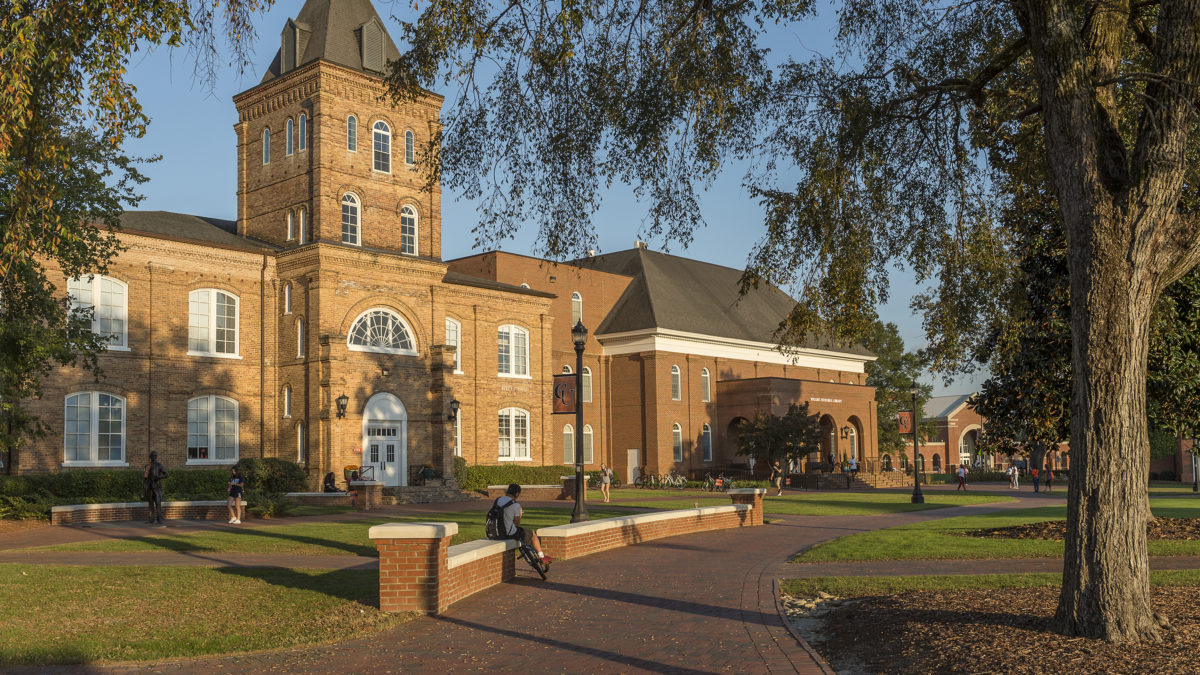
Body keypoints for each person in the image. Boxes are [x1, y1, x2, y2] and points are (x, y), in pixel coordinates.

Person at [493, 484, 552, 564]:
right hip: (508, 533)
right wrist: (520, 514)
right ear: (517, 494)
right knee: (532, 534)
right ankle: (541, 556)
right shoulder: (515, 505)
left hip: (496, 531)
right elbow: (517, 524)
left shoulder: (498, 500)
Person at [143, 451, 168, 525]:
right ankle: (151, 519)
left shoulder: (159, 465)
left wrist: (159, 477)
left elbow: (166, 474)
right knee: (151, 504)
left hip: (157, 488)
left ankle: (159, 519)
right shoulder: (147, 466)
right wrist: (145, 489)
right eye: (152, 455)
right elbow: (145, 478)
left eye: (155, 455)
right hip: (150, 488)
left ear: (156, 457)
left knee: (158, 503)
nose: (153, 457)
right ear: (150, 457)